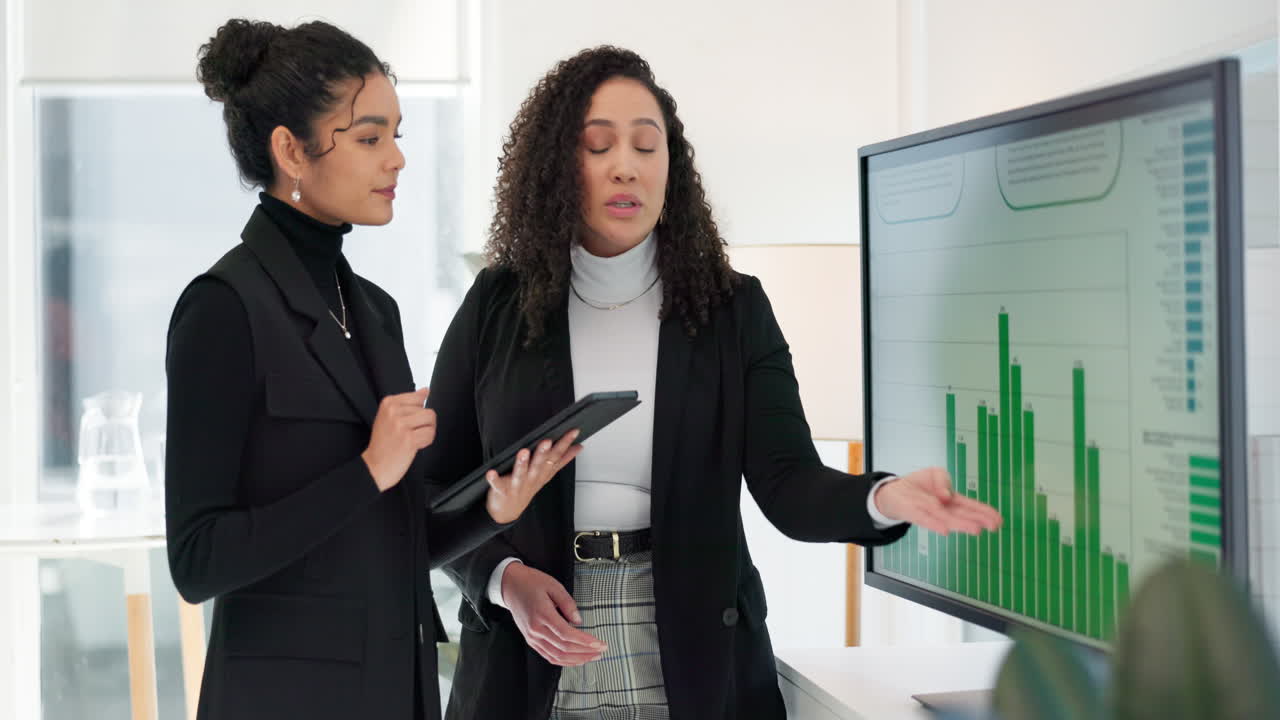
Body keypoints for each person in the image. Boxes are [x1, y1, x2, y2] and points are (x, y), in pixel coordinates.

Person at [426, 46, 1003, 720]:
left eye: (648, 145)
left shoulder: (732, 310)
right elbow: (437, 490)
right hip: (533, 643)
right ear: (558, 166)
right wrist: (503, 580)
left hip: (693, 643)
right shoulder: (497, 305)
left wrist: (884, 497)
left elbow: (790, 486)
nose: (627, 166)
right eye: (599, 145)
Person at [164, 19, 580, 720]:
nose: (396, 161)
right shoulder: (223, 309)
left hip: (397, 689)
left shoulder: (374, 312)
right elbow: (198, 562)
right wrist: (367, 470)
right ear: (291, 150)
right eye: (368, 138)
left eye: (397, 135)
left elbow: (390, 543)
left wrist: (491, 509)